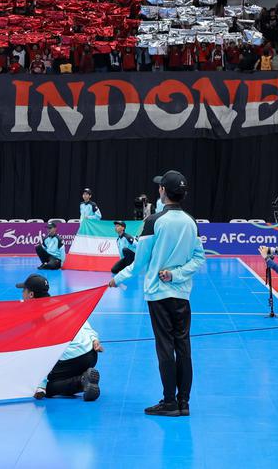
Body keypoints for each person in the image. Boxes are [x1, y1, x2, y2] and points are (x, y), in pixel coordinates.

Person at [109, 170, 205, 418]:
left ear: (163, 191)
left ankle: (169, 401)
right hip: (181, 295)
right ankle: (184, 402)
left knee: (165, 347)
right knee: (183, 346)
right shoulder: (191, 222)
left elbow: (139, 263)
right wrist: (177, 274)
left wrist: (117, 278)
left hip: (159, 295)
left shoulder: (154, 222)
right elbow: (199, 259)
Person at [17, 274, 102, 401]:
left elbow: (44, 351)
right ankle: (85, 376)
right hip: (91, 353)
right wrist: (94, 338)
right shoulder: (57, 303)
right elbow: (82, 322)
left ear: (31, 294)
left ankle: (81, 381)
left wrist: (41, 385)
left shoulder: (39, 315)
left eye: (24, 290)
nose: (22, 293)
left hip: (74, 359)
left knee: (46, 387)